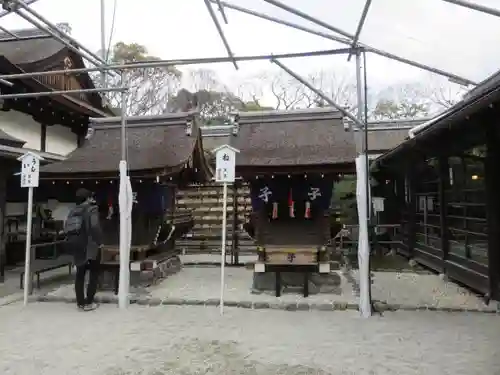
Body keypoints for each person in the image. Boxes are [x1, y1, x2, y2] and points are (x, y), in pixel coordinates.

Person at [64, 188, 103, 311]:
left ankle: (80, 303)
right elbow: (95, 226)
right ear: (88, 198)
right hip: (90, 246)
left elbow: (67, 228)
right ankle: (89, 302)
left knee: (80, 275)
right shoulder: (92, 209)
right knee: (94, 274)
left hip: (77, 247)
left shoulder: (72, 211)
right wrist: (100, 242)